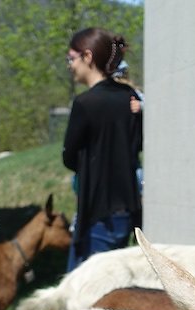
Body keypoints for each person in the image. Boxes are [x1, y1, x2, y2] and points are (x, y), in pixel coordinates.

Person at [62, 27, 143, 271]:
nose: (69, 65)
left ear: (87, 57)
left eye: (71, 59)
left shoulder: (84, 103)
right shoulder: (130, 97)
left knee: (82, 288)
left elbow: (69, 156)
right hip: (126, 211)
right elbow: (137, 143)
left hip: (96, 212)